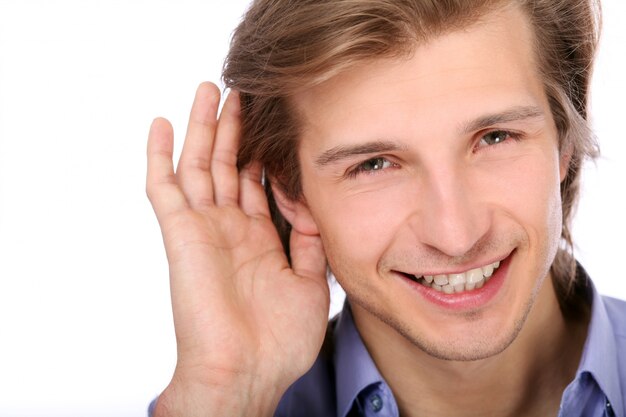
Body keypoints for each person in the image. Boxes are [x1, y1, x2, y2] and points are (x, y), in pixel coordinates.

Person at [146, 0, 626, 416]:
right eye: (375, 165)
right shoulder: (229, 402)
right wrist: (226, 393)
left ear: (564, 139)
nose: (456, 235)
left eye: (495, 137)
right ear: (293, 194)